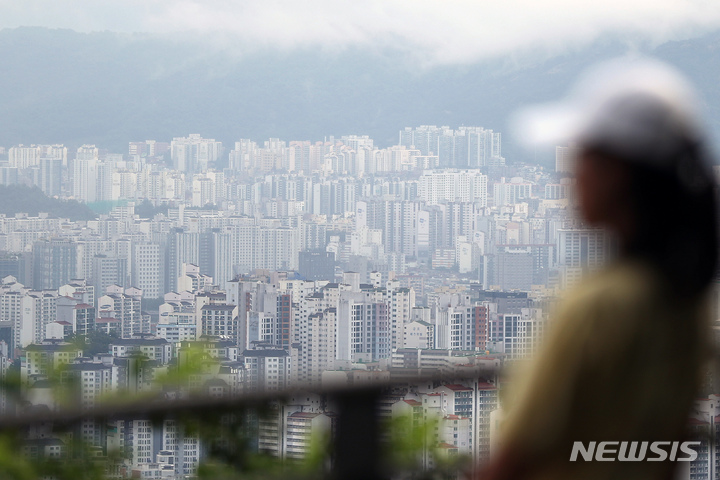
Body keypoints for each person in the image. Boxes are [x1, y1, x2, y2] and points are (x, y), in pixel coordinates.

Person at [481, 58, 718, 480]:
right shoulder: (687, 297)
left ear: (616, 174)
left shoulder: (597, 303)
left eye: (581, 158)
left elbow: (513, 457)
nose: (569, 176)